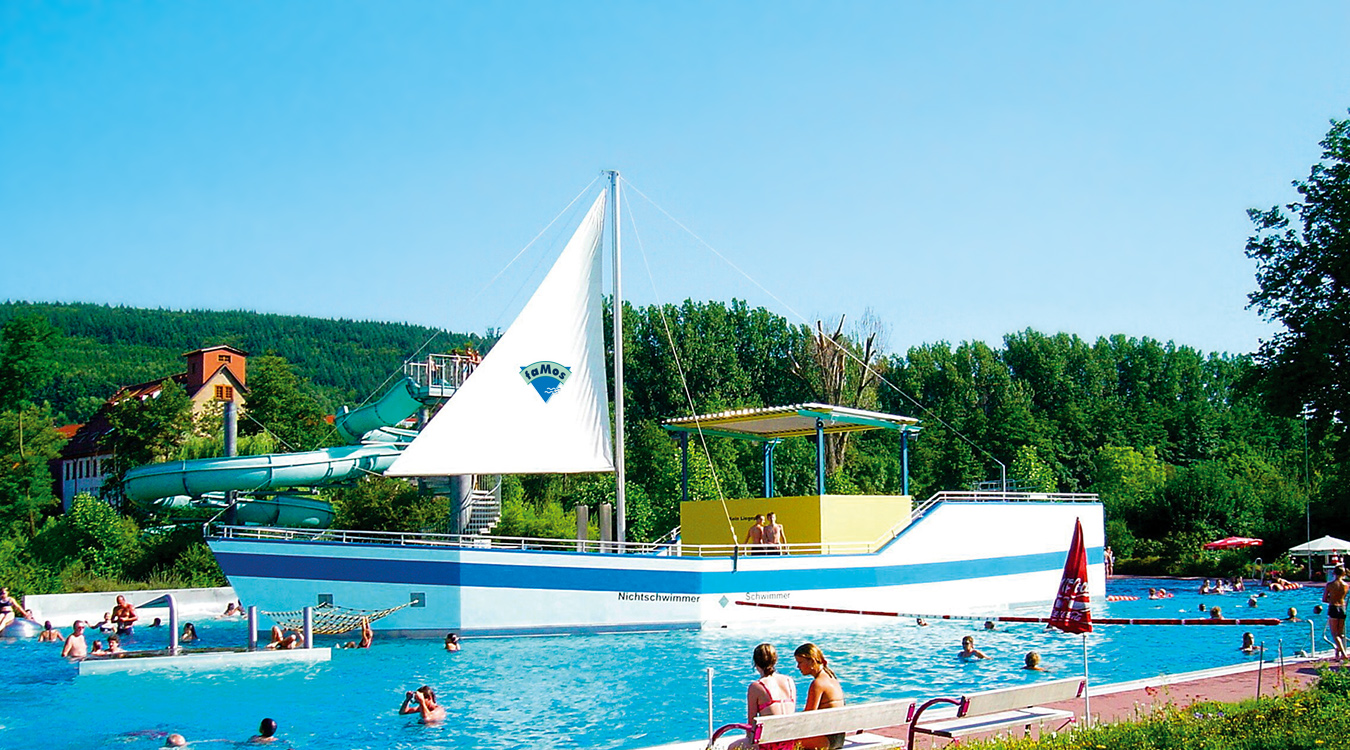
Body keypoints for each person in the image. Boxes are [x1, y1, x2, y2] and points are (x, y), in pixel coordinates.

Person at [729, 643, 796, 750]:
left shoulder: (756, 687)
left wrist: (750, 742)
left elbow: (751, 725)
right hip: (789, 742)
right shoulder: (789, 681)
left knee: (732, 747)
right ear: (775, 660)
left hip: (770, 744)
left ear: (755, 663)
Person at [794, 643, 845, 750]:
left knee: (783, 741)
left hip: (825, 740)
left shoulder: (818, 684)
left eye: (800, 662)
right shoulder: (832, 678)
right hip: (839, 737)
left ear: (812, 661)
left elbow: (808, 715)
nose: (798, 667)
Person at [1323, 565, 1347, 661]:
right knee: (1340, 634)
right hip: (1342, 608)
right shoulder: (1346, 585)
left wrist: (1331, 599)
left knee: (1334, 634)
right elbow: (1342, 597)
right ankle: (1337, 655)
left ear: (1334, 573)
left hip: (1333, 607)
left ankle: (1344, 654)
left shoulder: (1330, 585)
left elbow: (1324, 599)